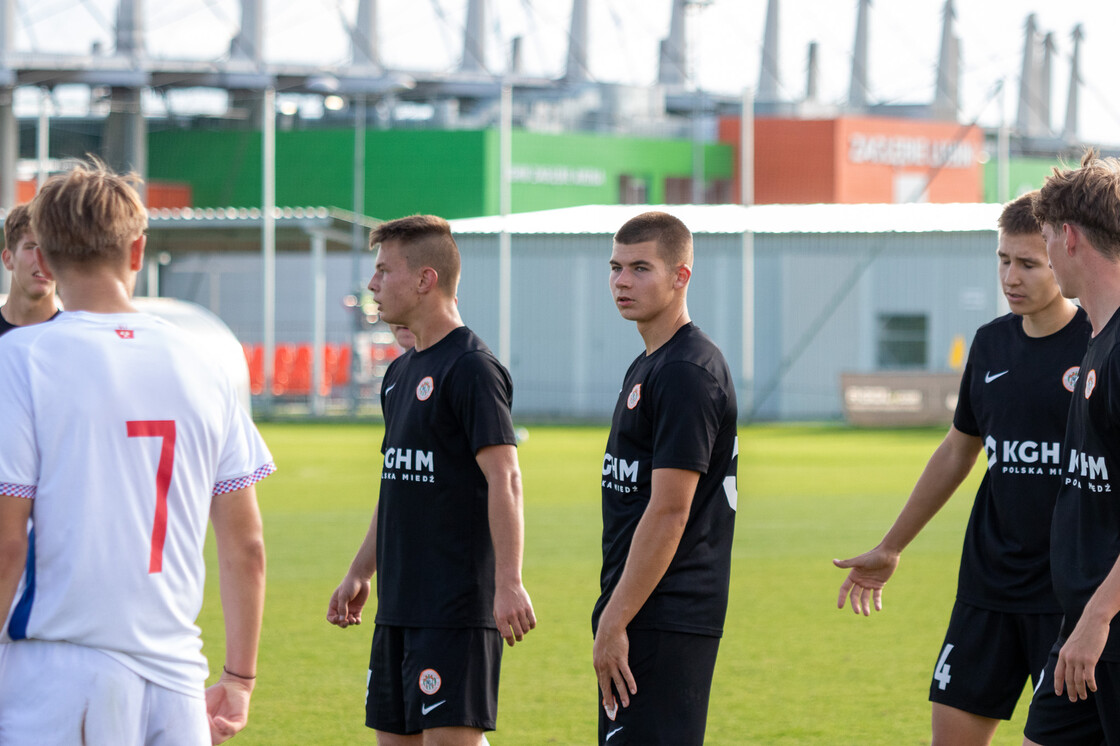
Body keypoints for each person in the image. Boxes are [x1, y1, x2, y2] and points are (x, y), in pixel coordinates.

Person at [0, 160, 274, 745]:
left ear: (43, 260)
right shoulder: (209, 359)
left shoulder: (21, 358)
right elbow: (246, 545)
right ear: (137, 252)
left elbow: (8, 543)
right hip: (176, 675)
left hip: (55, 671)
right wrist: (239, 678)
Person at [833, 190, 1090, 745]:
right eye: (1003, 260)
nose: (1011, 277)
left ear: (1061, 253)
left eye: (1028, 263)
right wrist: (892, 545)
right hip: (988, 586)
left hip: (1068, 596)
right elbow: (958, 449)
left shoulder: (1099, 343)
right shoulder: (991, 344)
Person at [327, 214, 535, 745]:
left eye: (384, 271)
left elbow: (504, 478)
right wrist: (360, 571)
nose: (373, 284)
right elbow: (397, 483)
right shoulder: (399, 374)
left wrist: (508, 581)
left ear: (425, 280)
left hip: (454, 607)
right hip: (398, 605)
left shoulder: (472, 368)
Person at [592, 211, 738, 746]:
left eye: (640, 268)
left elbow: (671, 509)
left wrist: (616, 619)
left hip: (665, 610)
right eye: (615, 267)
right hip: (638, 605)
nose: (622, 282)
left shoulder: (685, 372)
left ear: (681, 276)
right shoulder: (649, 363)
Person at [1022, 151, 1120, 746]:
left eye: (1046, 243)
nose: (1047, 259)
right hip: (1083, 628)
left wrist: (1100, 617)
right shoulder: (1097, 338)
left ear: (1069, 237)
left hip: (1105, 629)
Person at [0, 202, 59, 335]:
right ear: (8, 259)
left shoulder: (73, 337)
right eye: (32, 247)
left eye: (51, 249)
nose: (42, 259)